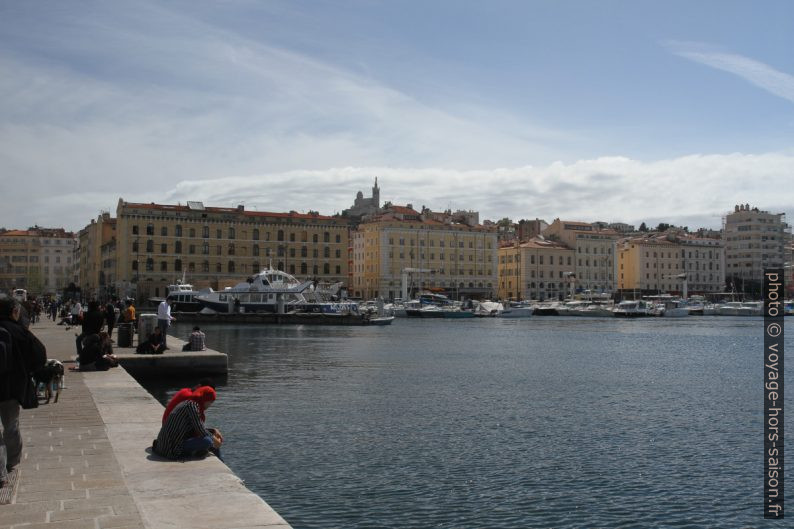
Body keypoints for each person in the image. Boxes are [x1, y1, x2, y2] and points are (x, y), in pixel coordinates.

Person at [0, 298, 47, 489]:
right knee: (10, 427)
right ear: (13, 312)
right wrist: (26, 371)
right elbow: (40, 356)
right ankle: (11, 463)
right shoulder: (18, 331)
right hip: (11, 389)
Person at [152, 386, 222, 460]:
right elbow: (200, 430)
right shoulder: (192, 407)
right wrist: (214, 439)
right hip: (171, 449)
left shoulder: (188, 403)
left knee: (210, 439)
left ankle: (201, 452)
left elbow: (197, 427)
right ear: (205, 399)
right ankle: (218, 460)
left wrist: (213, 431)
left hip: (164, 445)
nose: (210, 405)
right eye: (210, 402)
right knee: (208, 441)